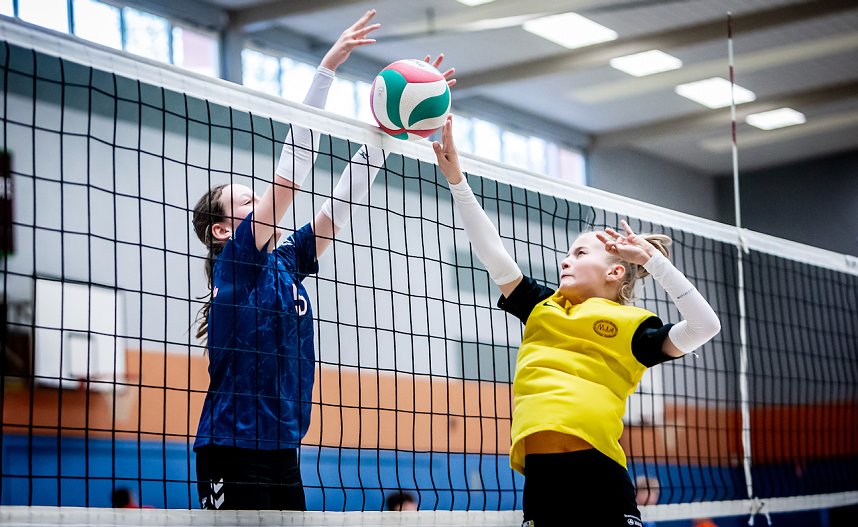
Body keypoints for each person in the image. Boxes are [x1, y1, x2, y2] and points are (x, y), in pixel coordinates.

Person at [191, 11, 455, 511]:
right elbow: (290, 179)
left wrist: (390, 134)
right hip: (232, 447)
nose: (260, 203)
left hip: (283, 450)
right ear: (223, 231)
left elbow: (338, 209)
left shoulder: (285, 263)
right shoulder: (236, 265)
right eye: (247, 202)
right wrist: (326, 71)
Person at [431, 116, 721, 526]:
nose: (566, 260)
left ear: (615, 272)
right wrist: (457, 181)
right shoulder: (541, 306)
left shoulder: (633, 327)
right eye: (567, 254)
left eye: (580, 254)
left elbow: (705, 326)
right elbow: (492, 251)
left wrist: (653, 262)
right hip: (543, 485)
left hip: (598, 479)